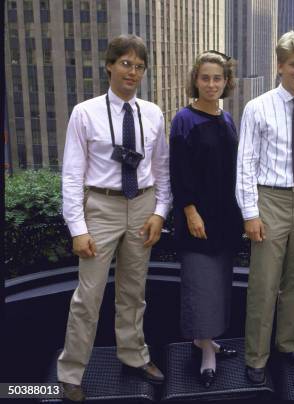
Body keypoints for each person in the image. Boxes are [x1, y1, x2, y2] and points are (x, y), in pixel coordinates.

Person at [58, 34, 171, 402]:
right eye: (125, 64)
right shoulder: (85, 112)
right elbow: (73, 174)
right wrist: (78, 228)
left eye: (139, 66)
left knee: (134, 293)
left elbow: (162, 170)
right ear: (109, 65)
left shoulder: (153, 113)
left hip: (142, 205)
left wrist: (159, 212)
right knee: (88, 296)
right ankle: (71, 372)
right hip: (101, 209)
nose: (132, 72)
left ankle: (133, 356)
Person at [236, 30, 294, 385]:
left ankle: (288, 345)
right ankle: (256, 357)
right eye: (293, 65)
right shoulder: (257, 107)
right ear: (279, 65)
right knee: (264, 284)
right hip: (269, 199)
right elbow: (245, 164)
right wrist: (250, 213)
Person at [169, 51, 243, 388]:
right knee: (200, 286)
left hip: (225, 216)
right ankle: (206, 353)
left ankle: (209, 340)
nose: (211, 84)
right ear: (195, 80)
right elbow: (178, 170)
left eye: (218, 78)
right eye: (205, 78)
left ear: (226, 82)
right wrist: (189, 210)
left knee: (220, 285)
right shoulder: (184, 119)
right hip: (196, 217)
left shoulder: (226, 119)